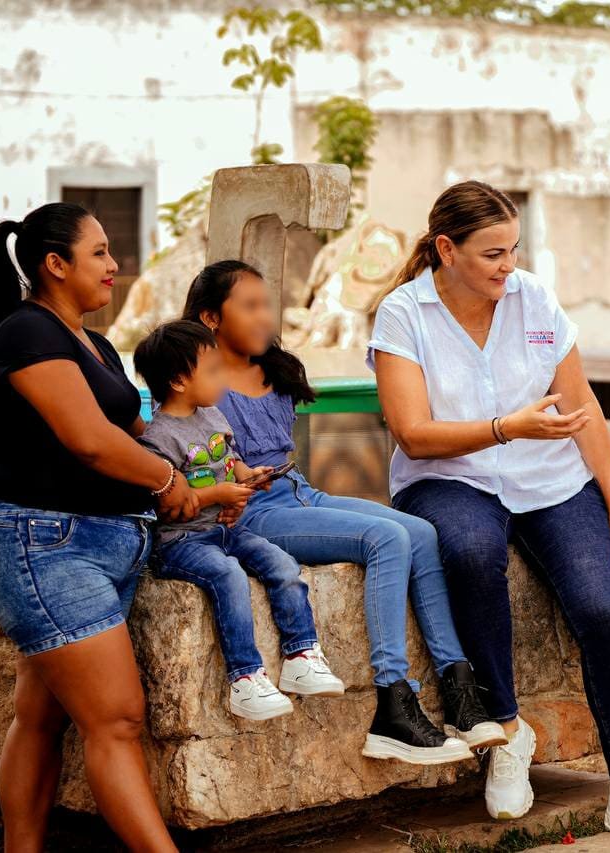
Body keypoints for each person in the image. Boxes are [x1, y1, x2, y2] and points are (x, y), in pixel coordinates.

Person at [370, 181, 610, 846]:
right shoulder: (403, 314)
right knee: (468, 548)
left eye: (513, 249)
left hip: (548, 478)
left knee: (605, 607)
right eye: (492, 253)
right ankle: (508, 732)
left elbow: (582, 408)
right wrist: (505, 427)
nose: (507, 265)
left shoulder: (534, 300)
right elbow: (413, 433)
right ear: (446, 249)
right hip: (448, 475)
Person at [183, 259, 503, 766]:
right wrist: (231, 481)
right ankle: (393, 702)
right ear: (211, 318)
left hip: (299, 492)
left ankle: (458, 687)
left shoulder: (278, 371)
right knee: (386, 538)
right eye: (248, 306)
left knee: (420, 532)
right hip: (252, 513)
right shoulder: (198, 385)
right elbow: (188, 457)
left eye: (267, 304)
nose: (264, 316)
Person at [0, 202, 200, 852]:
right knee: (118, 719)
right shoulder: (25, 333)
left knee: (40, 717)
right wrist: (164, 479)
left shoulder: (92, 343)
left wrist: (204, 465)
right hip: (45, 545)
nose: (113, 264)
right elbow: (91, 441)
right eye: (99, 252)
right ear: (54, 263)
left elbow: (134, 431)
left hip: (99, 543)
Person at [134, 320, 345, 721]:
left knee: (281, 563)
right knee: (228, 575)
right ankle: (245, 678)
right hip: (182, 541)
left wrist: (247, 475)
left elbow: (228, 461)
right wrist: (218, 494)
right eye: (212, 370)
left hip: (227, 529)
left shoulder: (212, 415)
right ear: (179, 380)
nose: (223, 377)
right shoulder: (158, 439)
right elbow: (167, 506)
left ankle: (301, 653)